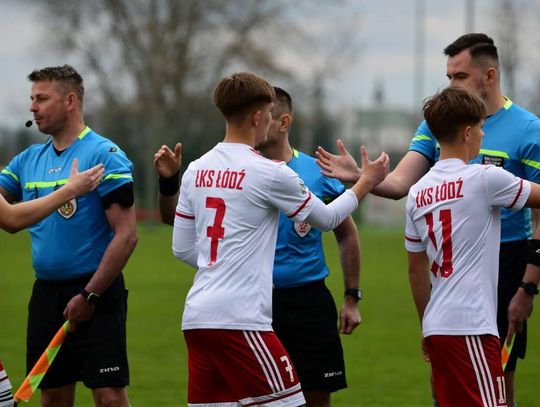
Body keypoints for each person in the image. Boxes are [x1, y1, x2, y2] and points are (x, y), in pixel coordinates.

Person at [316, 33, 540, 406]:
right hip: (463, 299)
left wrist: (528, 285)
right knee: (487, 391)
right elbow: (398, 183)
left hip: (502, 268)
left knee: (500, 376)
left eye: (460, 76)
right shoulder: (453, 140)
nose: (451, 83)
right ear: (469, 134)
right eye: (449, 76)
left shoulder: (527, 129)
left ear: (489, 75)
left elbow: (413, 262)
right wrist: (361, 177)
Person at [169, 71, 388, 406]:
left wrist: (223, 265)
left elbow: (182, 248)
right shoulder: (269, 172)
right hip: (241, 319)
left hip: (197, 318)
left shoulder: (196, 169)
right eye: (270, 113)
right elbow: (328, 219)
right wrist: (366, 182)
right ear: (258, 117)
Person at [0, 65, 138, 407]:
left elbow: (127, 235)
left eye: (42, 99)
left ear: (70, 101)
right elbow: (7, 217)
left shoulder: (104, 155)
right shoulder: (26, 161)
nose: (32, 107)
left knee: (109, 397)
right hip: (46, 296)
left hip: (96, 293)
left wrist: (90, 295)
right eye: (32, 98)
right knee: (53, 398)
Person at [406, 86, 540, 406]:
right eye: (480, 128)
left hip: (437, 326)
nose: (483, 134)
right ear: (467, 133)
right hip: (471, 327)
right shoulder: (485, 178)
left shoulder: (417, 193)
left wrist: (427, 325)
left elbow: (415, 270)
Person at [256, 87, 361, 406]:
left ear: (284, 122)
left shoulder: (317, 172)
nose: (255, 123)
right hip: (256, 302)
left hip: (308, 302)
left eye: (263, 117)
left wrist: (351, 297)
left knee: (315, 397)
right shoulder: (244, 170)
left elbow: (347, 234)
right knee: (260, 398)